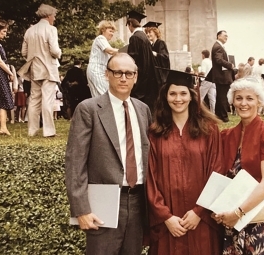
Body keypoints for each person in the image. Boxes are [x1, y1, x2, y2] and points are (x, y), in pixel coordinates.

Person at [65, 53, 152, 255]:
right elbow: (75, 162)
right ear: (107, 74)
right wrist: (81, 210)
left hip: (138, 201)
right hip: (104, 202)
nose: (123, 78)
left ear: (135, 77)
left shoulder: (143, 109)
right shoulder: (89, 109)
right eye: (117, 72)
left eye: (128, 73)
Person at [147, 69, 224, 255]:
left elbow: (217, 171)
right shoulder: (155, 133)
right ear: (165, 96)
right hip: (168, 224)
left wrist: (199, 212)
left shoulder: (209, 130)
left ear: (192, 96)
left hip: (201, 221)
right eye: (172, 93)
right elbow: (151, 177)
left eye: (183, 93)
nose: (178, 99)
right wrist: (166, 217)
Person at [213, 77, 264, 254]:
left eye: (249, 98)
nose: (243, 103)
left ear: (259, 101)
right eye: (239, 98)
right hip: (231, 218)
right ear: (232, 101)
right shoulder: (226, 136)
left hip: (257, 218)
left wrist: (238, 212)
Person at [18, 3, 62, 137]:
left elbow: (23, 52)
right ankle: (48, 131)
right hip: (49, 69)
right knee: (47, 99)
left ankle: (32, 130)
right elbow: (54, 51)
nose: (54, 18)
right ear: (49, 16)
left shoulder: (29, 31)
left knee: (34, 100)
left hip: (34, 69)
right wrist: (60, 53)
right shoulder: (51, 29)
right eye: (54, 15)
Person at [126, 10, 161, 112]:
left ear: (130, 24)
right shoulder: (144, 38)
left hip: (139, 80)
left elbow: (132, 60)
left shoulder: (135, 38)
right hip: (147, 79)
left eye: (128, 25)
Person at [205, 30, 234, 122]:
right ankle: (223, 117)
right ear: (218, 36)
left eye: (227, 36)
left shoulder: (218, 46)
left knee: (221, 97)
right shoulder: (218, 47)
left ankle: (219, 116)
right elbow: (218, 60)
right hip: (222, 76)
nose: (226, 37)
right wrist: (230, 65)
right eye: (225, 35)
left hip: (221, 76)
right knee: (223, 97)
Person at [86, 20, 118, 97]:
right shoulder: (100, 38)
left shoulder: (104, 41)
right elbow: (110, 51)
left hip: (99, 70)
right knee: (105, 95)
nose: (112, 34)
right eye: (110, 31)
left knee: (98, 96)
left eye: (113, 32)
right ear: (103, 30)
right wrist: (121, 51)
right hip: (97, 70)